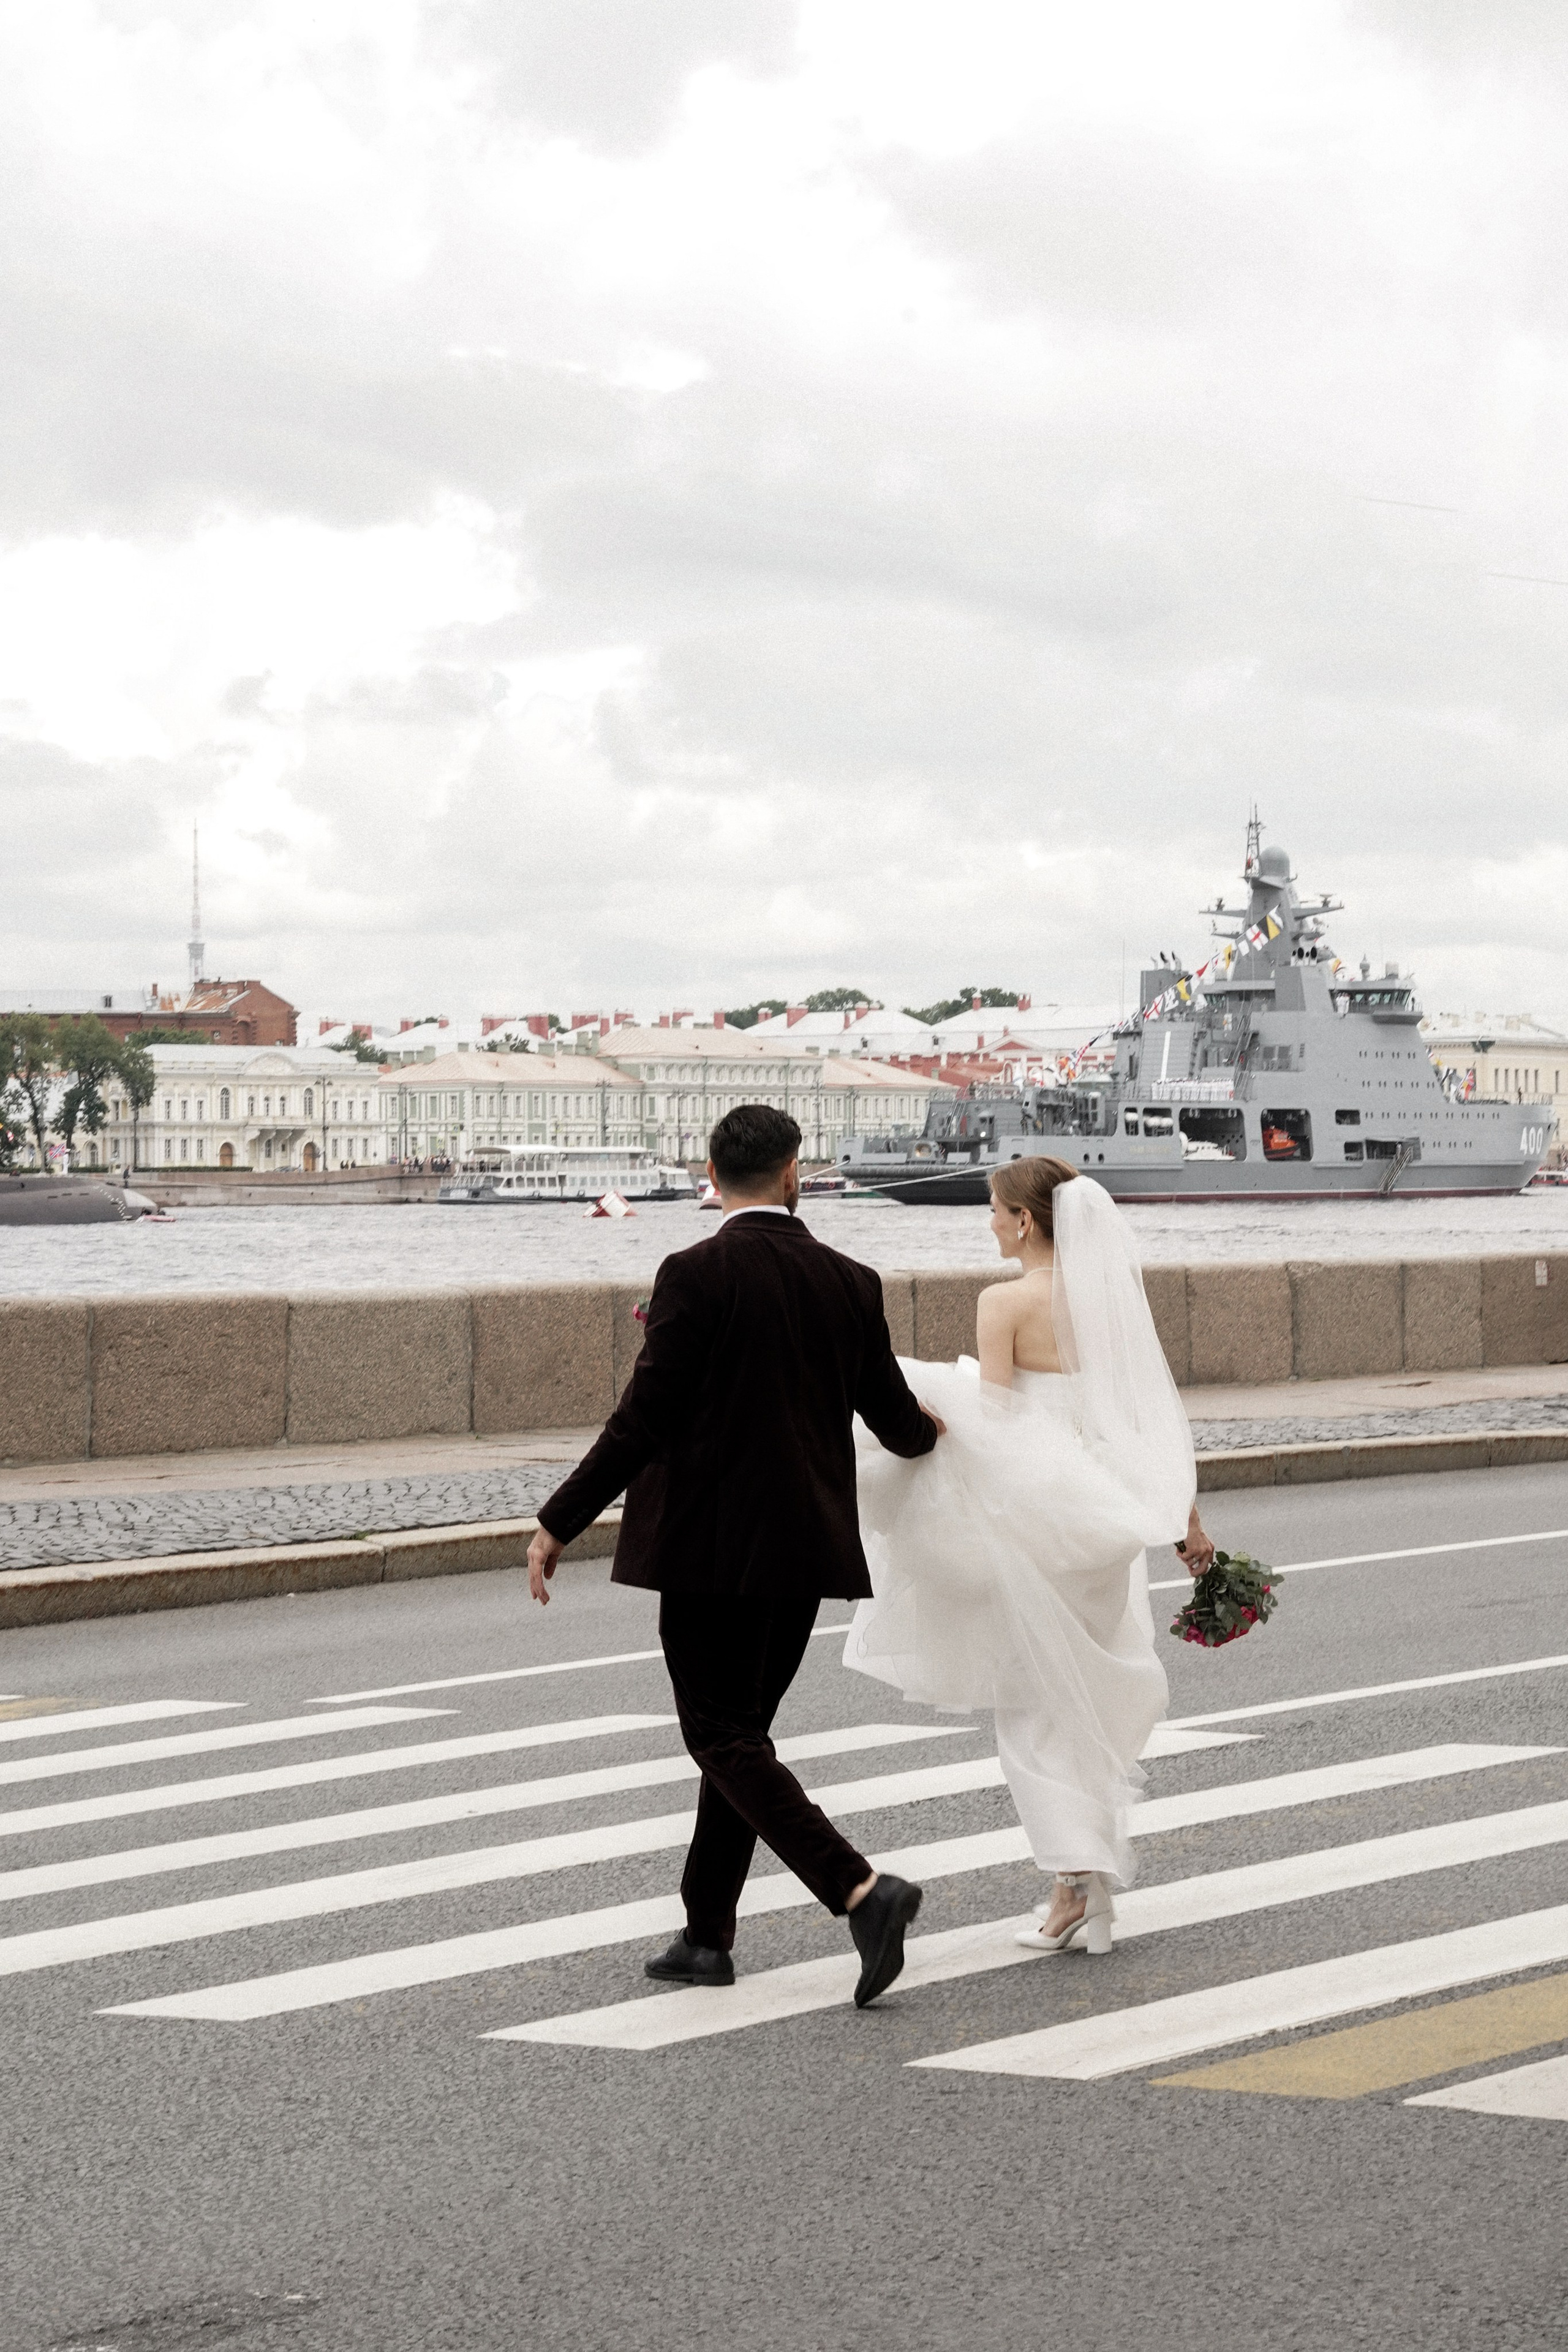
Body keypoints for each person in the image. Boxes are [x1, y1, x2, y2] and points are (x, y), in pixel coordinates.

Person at [527, 1103, 946, 2007]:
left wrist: (561, 1519)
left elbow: (646, 1416)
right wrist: (940, 1434)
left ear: (711, 1175)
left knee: (720, 1735)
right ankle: (706, 1934)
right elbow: (896, 1420)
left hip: (711, 1546)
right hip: (806, 1547)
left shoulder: (695, 1272)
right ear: (795, 1172)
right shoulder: (852, 1279)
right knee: (740, 1740)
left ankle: (861, 1891)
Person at [843, 1155, 1214, 1957]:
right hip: (1103, 1514)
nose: (988, 1222)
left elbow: (999, 1425)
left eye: (993, 1209)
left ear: (1023, 1220)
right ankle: (1084, 1885)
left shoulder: (1004, 1301)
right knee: (1082, 1695)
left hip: (1039, 1517)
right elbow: (1146, 1419)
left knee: (1033, 1709)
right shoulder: (1110, 1303)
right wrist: (1184, 1519)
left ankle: (1075, 1884)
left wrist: (928, 1410)